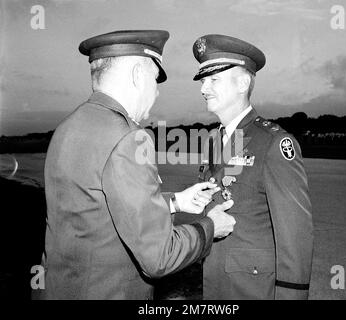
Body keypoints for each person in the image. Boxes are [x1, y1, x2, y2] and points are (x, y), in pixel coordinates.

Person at [38, 30, 236, 300]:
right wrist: (210, 227)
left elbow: (99, 208)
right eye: (155, 80)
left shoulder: (67, 128)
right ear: (137, 75)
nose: (156, 93)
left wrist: (176, 202)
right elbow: (159, 257)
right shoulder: (129, 138)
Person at [193, 34, 314, 299]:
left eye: (214, 79)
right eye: (203, 80)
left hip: (253, 290)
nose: (204, 88)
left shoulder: (273, 143)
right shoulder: (214, 140)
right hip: (215, 285)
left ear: (243, 83)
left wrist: (291, 295)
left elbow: (295, 234)